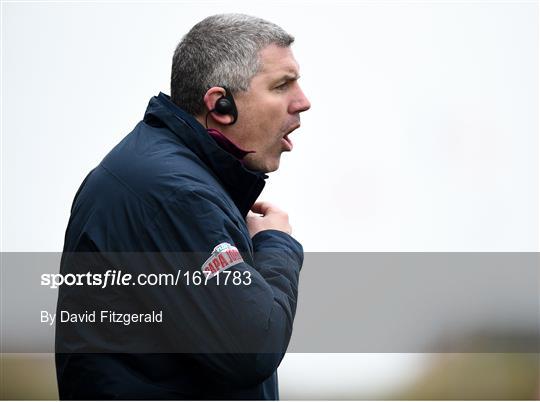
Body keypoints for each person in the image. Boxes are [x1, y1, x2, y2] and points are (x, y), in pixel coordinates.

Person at [55, 13, 311, 400]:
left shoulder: (162, 175)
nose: (303, 102)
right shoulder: (175, 194)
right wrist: (276, 245)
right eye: (282, 85)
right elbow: (252, 346)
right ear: (221, 105)